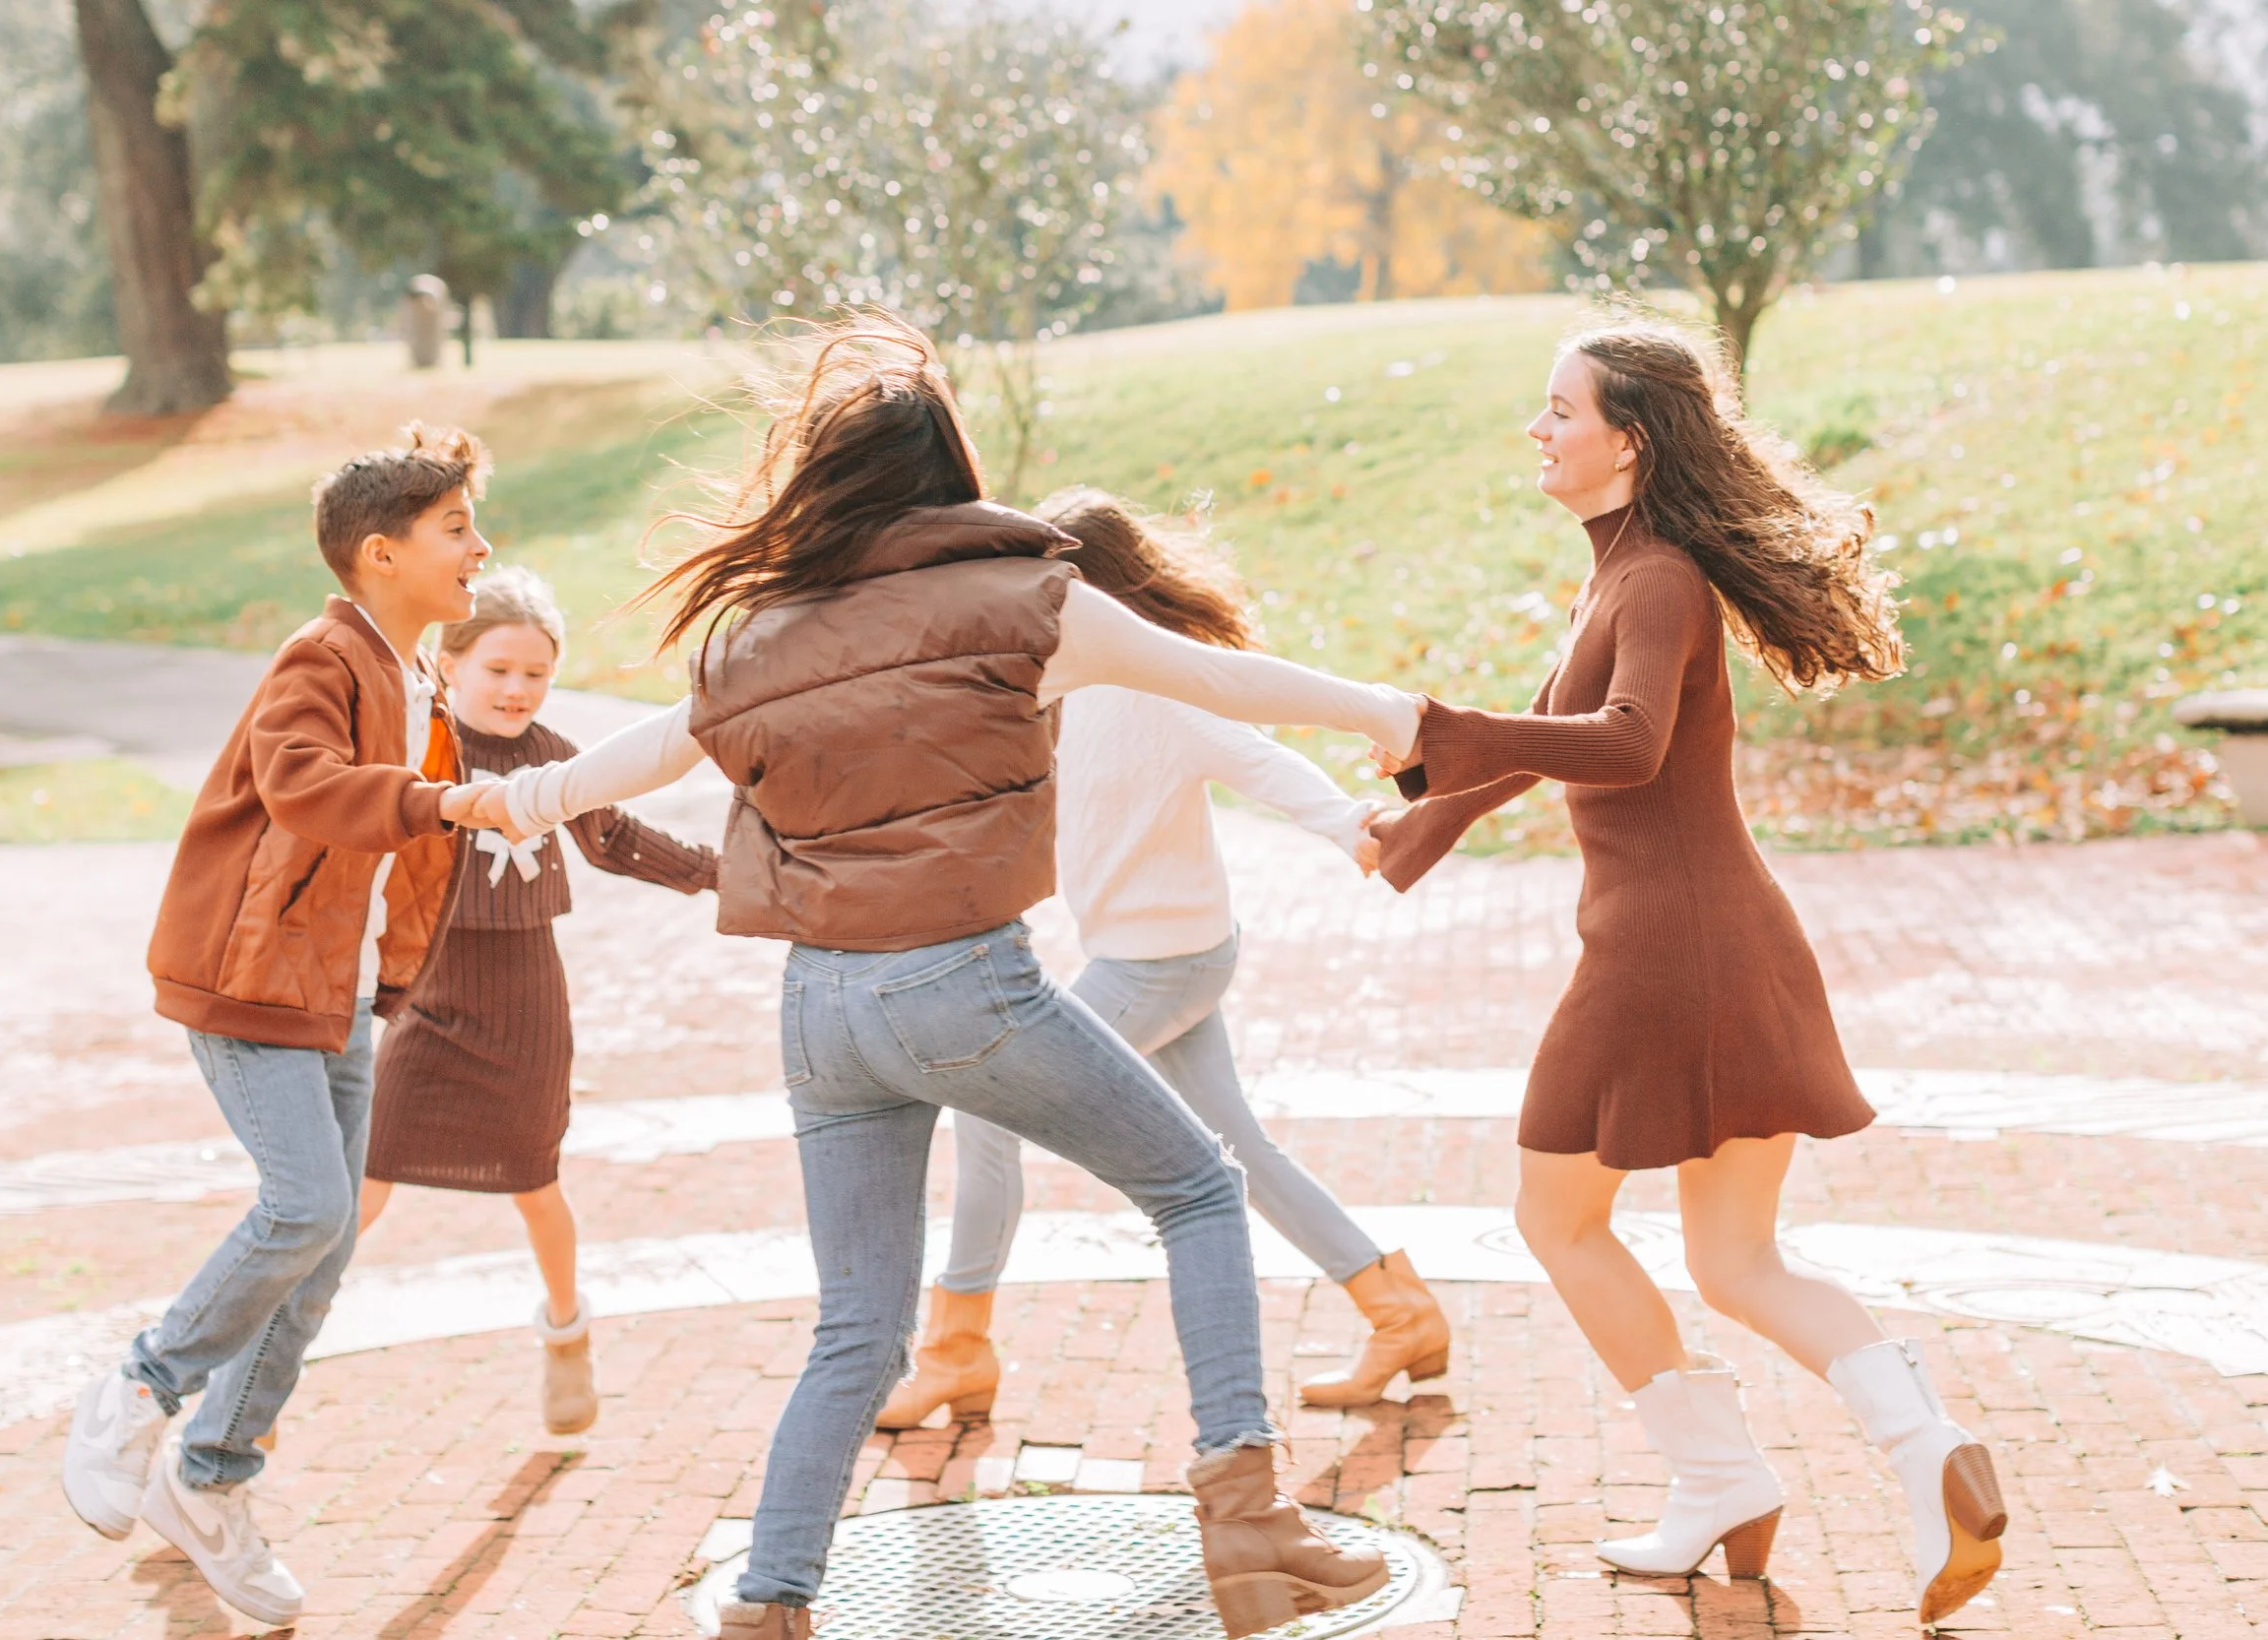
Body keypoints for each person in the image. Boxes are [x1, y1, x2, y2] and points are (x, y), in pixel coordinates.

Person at [472, 318, 1417, 1640]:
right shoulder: (1026, 597)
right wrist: (1386, 713)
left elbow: (648, 750)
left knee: (856, 1326)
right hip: (959, 988)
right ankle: (1250, 1523)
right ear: (951, 476)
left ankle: (770, 1604)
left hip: (819, 1014)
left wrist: (523, 800)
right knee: (1200, 1187)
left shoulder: (761, 636)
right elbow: (1218, 677)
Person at [1369, 321, 2007, 1625]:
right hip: (1722, 943)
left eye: (1558, 411)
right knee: (1737, 1258)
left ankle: (1720, 1472)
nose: (1536, 431)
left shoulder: (1651, 578)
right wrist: (1423, 820)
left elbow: (1629, 741)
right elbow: (1557, 740)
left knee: (1557, 1217)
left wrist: (1441, 729)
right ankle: (1921, 1443)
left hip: (1670, 953)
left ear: (1629, 440)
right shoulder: (1623, 574)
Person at [876, 487, 1449, 1434]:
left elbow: (1256, 754)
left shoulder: (1157, 688)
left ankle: (955, 1353)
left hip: (1164, 965)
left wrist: (1350, 823)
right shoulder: (1049, 691)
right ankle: (1400, 1311)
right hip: (1167, 955)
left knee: (984, 1106)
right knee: (1240, 1148)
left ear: (1084, 588)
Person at [59, 425, 500, 1629]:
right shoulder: (321, 657)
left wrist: (405, 973)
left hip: (337, 997)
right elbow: (303, 783)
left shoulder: (419, 681)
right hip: (251, 979)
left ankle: (209, 1480)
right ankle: (133, 1397)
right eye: (456, 529)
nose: (480, 548)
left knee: (330, 1244)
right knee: (303, 1206)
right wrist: (443, 794)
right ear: (380, 553)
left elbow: (411, 857)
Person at [358, 566, 719, 1436]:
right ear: (447, 665)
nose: (518, 689)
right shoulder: (417, 751)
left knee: (535, 1180)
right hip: (428, 998)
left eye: (536, 674)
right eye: (498, 670)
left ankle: (567, 1330)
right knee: (360, 1181)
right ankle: (273, 1345)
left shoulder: (557, 758)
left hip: (523, 1000)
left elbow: (616, 837)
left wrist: (719, 875)